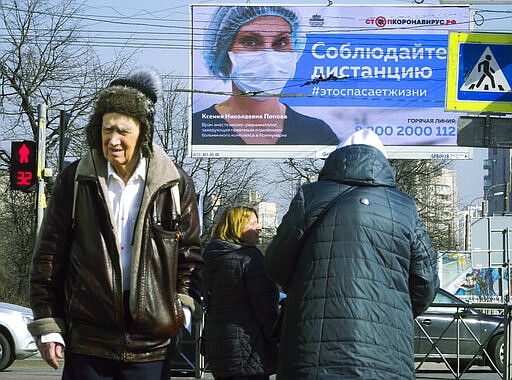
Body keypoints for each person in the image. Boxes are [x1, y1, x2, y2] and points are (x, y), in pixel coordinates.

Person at [28, 67, 203, 379]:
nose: (113, 140)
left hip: (151, 344)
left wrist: (181, 307)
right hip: (88, 344)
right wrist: (49, 324)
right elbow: (48, 257)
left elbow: (189, 255)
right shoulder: (76, 180)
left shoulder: (173, 185)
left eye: (123, 131)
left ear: (143, 132)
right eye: (107, 129)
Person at [264, 129, 439, 379]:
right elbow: (425, 283)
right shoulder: (404, 207)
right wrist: (392, 307)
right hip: (385, 353)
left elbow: (275, 265)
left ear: (337, 158)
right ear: (383, 162)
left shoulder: (309, 197)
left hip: (312, 350)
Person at [192, 6, 339, 145]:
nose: (269, 58)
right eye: (250, 41)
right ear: (224, 51)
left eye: (281, 42)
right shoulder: (198, 129)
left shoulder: (318, 133)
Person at [202, 206, 279, 380]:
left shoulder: (212, 256)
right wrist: (277, 338)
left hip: (218, 343)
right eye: (253, 223)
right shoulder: (250, 258)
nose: (259, 227)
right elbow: (265, 308)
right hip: (249, 346)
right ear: (237, 226)